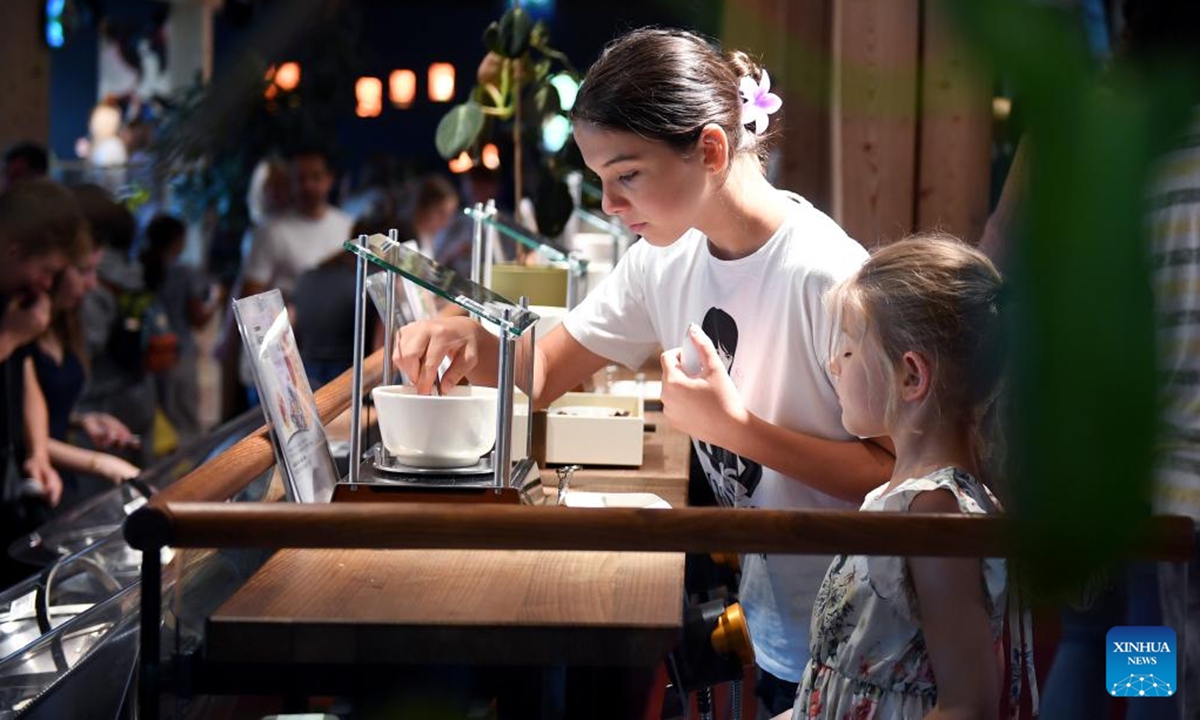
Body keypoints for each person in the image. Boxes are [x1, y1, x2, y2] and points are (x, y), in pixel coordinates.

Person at [395, 27, 893, 714]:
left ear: (711, 150)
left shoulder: (826, 275)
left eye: (627, 175)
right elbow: (541, 370)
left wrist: (734, 429)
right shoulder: (666, 259)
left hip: (870, 641)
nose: (609, 205)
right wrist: (466, 339)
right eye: (601, 180)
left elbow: (896, 473)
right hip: (783, 623)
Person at [790, 235, 1009, 720]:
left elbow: (968, 705)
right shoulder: (900, 496)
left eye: (847, 349)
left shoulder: (935, 512)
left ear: (911, 376)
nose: (833, 364)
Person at [0, 179, 89, 587]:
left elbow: (25, 379)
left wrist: (37, 452)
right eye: (46, 271)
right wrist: (14, 336)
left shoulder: (15, 297)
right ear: (15, 250)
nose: (47, 285)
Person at [25, 220, 140, 511]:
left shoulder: (67, 325)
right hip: (29, 487)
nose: (92, 284)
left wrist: (83, 419)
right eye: (83, 271)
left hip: (60, 484)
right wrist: (101, 463)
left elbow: (50, 408)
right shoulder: (20, 331)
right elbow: (15, 431)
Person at [240, 147, 354, 300]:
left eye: (316, 177)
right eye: (300, 178)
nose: (308, 186)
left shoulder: (348, 226)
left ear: (330, 179)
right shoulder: (270, 231)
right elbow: (250, 298)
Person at [142, 213, 216, 444]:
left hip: (150, 355)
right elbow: (198, 319)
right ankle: (190, 477)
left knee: (158, 422)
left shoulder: (140, 269)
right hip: (179, 353)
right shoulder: (183, 273)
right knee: (186, 423)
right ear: (177, 240)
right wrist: (217, 299)